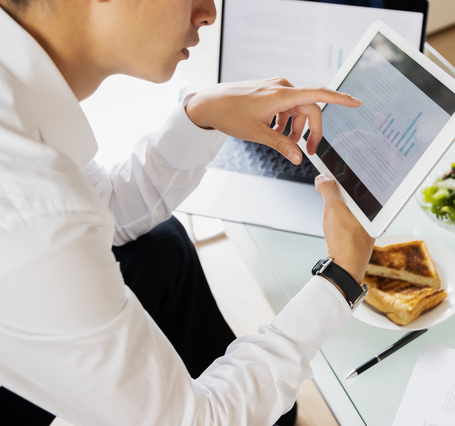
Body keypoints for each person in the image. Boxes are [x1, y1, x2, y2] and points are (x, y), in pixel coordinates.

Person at [0, 0, 375, 424]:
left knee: (162, 246)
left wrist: (203, 113)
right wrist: (339, 279)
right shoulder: (27, 201)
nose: (208, 11)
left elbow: (104, 210)